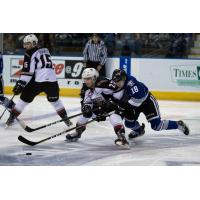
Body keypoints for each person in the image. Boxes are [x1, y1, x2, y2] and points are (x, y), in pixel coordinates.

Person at [5, 34, 72, 127]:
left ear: (34, 43)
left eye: (28, 44)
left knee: (23, 100)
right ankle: (66, 119)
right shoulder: (46, 50)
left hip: (38, 81)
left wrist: (20, 84)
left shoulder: (29, 54)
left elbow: (28, 72)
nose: (25, 46)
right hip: (52, 80)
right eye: (24, 44)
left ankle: (11, 118)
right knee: (55, 101)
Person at [111, 69, 189, 139]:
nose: (117, 83)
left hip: (147, 102)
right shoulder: (117, 85)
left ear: (124, 78)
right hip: (133, 104)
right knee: (129, 124)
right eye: (115, 81)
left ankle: (178, 125)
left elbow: (139, 98)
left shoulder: (132, 83)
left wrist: (123, 106)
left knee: (157, 126)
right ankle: (139, 131)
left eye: (119, 81)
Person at [66, 68, 129, 148]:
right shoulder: (85, 88)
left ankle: (122, 138)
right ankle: (78, 133)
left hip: (115, 106)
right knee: (83, 116)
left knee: (114, 117)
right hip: (101, 108)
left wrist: (111, 103)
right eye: (85, 79)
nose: (86, 81)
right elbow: (86, 102)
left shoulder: (103, 82)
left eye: (88, 79)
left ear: (94, 78)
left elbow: (120, 89)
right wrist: (86, 108)